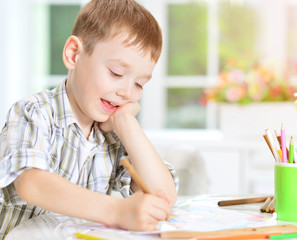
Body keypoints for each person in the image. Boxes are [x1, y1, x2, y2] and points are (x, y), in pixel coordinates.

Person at [0, 0, 178, 238]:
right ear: (73, 54)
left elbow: (162, 196)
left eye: (139, 84)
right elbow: (31, 183)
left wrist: (127, 123)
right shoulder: (34, 112)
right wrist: (115, 211)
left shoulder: (113, 134)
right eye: (116, 73)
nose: (127, 92)